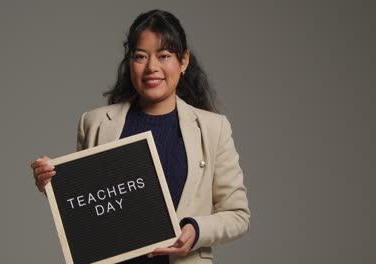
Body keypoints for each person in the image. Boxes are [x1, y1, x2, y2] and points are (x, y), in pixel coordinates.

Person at [30, 9, 250, 264]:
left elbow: (238, 215)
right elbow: (90, 208)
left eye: (164, 55)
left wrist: (195, 229)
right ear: (130, 62)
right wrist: (55, 187)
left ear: (184, 61)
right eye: (141, 56)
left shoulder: (214, 128)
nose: (152, 67)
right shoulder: (95, 123)